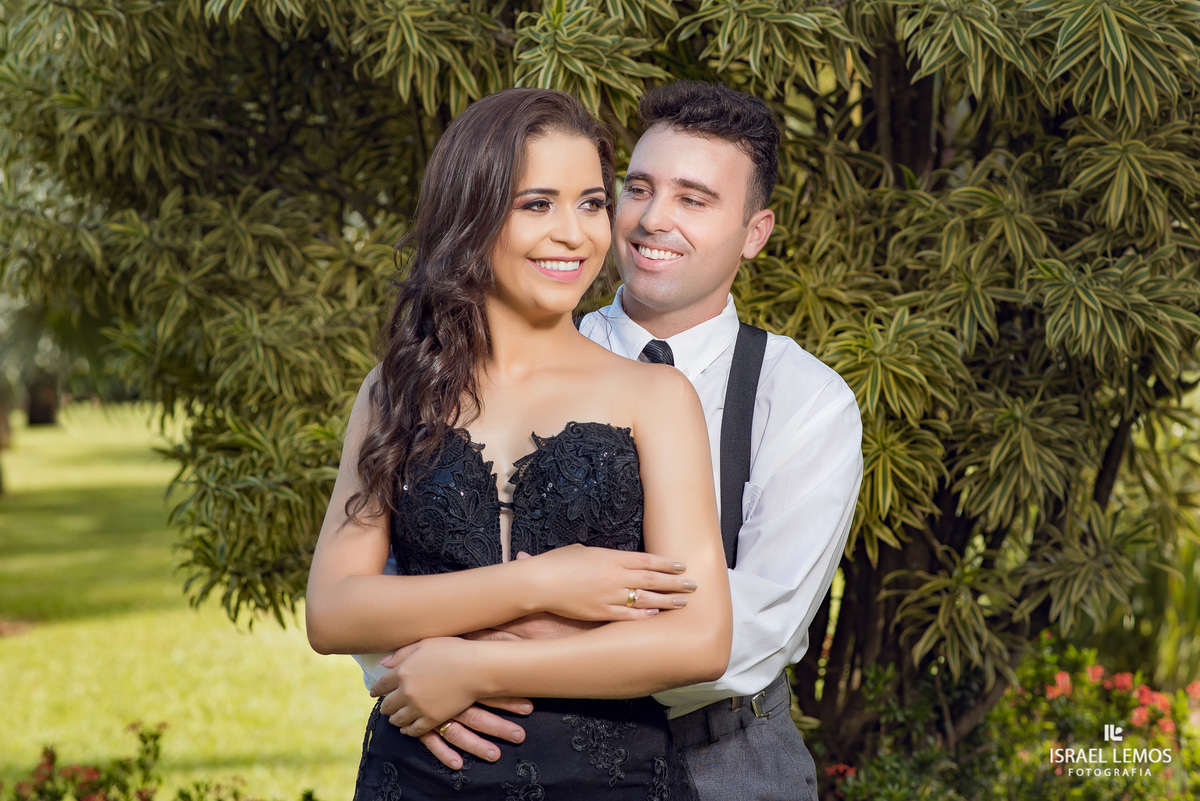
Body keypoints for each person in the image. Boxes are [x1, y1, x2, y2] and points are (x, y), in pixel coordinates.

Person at [370, 81, 864, 801]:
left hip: (727, 755)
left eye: (694, 200)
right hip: (490, 737)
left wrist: (496, 650)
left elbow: (757, 620)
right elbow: (396, 564)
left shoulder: (806, 399)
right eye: (637, 188)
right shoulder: (499, 362)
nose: (654, 219)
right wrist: (421, 676)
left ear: (756, 232)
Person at [306, 87, 733, 800]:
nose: (575, 233)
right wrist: (541, 582)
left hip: (612, 782)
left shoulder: (657, 397)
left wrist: (475, 667)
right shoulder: (395, 390)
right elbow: (333, 611)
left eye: (592, 203)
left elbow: (699, 640)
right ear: (470, 216)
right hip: (417, 777)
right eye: (537, 203)